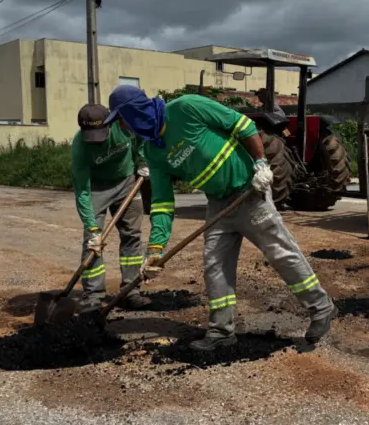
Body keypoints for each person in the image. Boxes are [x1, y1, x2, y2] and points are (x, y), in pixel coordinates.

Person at [104, 85, 337, 351]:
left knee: (280, 252)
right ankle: (221, 331)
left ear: (134, 111)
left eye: (122, 119)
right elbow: (162, 203)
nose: (123, 126)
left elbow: (243, 125)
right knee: (215, 265)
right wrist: (156, 249)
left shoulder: (186, 107)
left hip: (249, 191)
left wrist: (261, 163)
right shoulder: (153, 150)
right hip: (218, 204)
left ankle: (321, 307)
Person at [71, 103, 152, 312]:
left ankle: (130, 292)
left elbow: (142, 139)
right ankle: (93, 296)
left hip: (126, 182)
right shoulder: (80, 147)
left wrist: (142, 160)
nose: (97, 142)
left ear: (111, 123)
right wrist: (92, 228)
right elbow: (82, 191)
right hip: (96, 188)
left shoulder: (123, 126)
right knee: (92, 242)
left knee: (132, 236)